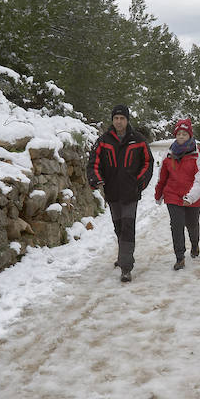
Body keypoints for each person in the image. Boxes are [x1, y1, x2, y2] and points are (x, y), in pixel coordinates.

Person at [86, 104, 153, 282]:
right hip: (113, 192)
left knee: (128, 227)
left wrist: (140, 182)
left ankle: (126, 267)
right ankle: (123, 256)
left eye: (122, 118)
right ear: (112, 120)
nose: (119, 121)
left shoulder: (138, 139)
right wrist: (96, 179)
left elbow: (148, 163)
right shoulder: (103, 140)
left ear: (127, 119)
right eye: (116, 118)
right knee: (118, 227)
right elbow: (93, 163)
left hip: (131, 192)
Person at [153, 117, 200, 270]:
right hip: (173, 195)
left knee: (191, 225)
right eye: (179, 134)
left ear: (190, 135)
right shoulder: (169, 154)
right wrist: (159, 194)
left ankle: (195, 244)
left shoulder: (199, 154)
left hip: (193, 198)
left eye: (184, 134)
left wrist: (190, 197)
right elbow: (162, 176)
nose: (181, 136)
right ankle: (180, 257)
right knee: (176, 226)